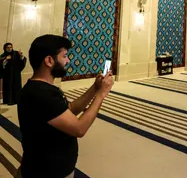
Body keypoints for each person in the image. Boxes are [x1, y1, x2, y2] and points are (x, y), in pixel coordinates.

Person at [17, 34, 114, 178]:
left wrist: (95, 88)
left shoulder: (44, 89)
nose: (68, 60)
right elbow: (79, 128)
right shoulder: (41, 95)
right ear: (49, 60)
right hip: (47, 172)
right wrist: (101, 94)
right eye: (64, 56)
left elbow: (70, 109)